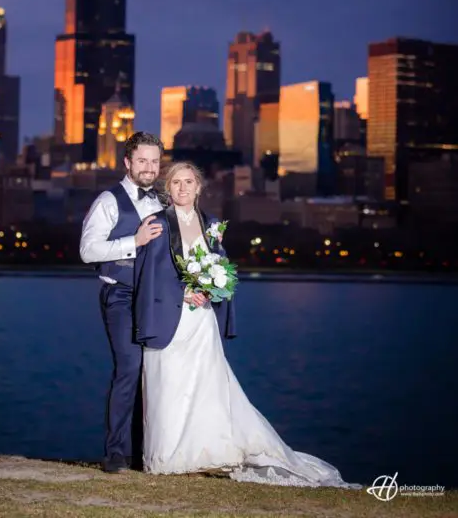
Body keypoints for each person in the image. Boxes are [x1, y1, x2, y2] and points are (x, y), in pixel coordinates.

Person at [134, 161, 362, 489]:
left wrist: (209, 290)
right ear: (167, 189)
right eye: (176, 183)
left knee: (204, 386)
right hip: (166, 319)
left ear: (199, 188)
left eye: (188, 182)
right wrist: (182, 291)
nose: (182, 188)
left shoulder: (211, 225)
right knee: (166, 384)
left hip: (201, 322)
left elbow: (220, 267)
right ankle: (166, 458)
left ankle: (202, 452)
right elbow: (149, 273)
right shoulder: (155, 223)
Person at [80, 131, 164, 474]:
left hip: (156, 297)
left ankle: (146, 453)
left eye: (155, 161)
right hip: (120, 295)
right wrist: (135, 240)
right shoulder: (108, 200)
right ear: (127, 162)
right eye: (142, 160)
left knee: (154, 373)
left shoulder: (163, 202)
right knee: (128, 369)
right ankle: (115, 453)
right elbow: (87, 251)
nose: (149, 167)